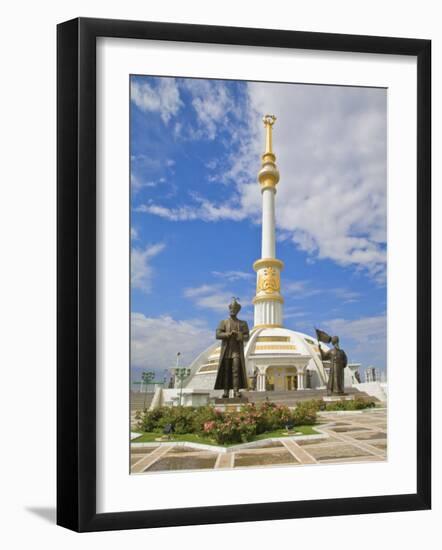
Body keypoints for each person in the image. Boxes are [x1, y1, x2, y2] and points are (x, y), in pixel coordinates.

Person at [214, 298, 250, 398]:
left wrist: (239, 335)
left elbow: (247, 336)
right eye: (231, 309)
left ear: (237, 311)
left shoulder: (243, 323)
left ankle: (236, 391)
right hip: (226, 351)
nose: (232, 311)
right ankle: (226, 392)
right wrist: (229, 334)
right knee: (226, 371)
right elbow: (218, 334)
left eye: (234, 309)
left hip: (236, 351)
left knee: (236, 371)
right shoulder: (224, 322)